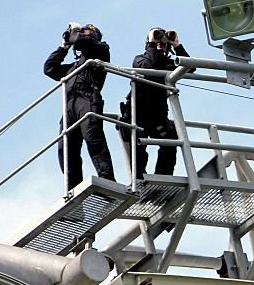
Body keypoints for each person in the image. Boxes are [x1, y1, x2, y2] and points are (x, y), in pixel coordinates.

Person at [44, 22, 116, 192]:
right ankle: (73, 190)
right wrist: (64, 47)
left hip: (88, 98)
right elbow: (49, 69)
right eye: (81, 31)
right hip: (69, 105)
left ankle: (108, 181)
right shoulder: (73, 68)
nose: (83, 32)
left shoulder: (101, 49)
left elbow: (83, 42)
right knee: (66, 149)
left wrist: (75, 31)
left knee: (93, 139)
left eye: (87, 31)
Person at [119, 27, 191, 179]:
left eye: (163, 43)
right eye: (157, 40)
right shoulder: (140, 59)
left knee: (170, 144)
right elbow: (149, 67)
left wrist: (177, 45)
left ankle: (162, 178)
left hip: (158, 114)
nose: (161, 44)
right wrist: (153, 44)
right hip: (138, 112)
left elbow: (189, 67)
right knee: (139, 147)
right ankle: (140, 179)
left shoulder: (168, 63)